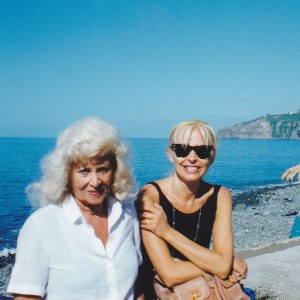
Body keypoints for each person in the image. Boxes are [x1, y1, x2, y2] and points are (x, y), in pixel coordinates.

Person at [7, 117, 143, 300]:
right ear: (67, 174)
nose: (95, 182)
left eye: (103, 169)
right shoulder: (41, 225)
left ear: (115, 170)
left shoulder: (127, 214)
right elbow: (26, 297)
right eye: (84, 171)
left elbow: (136, 286)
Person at [137, 120, 247, 299]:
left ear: (211, 156)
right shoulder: (150, 195)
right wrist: (219, 262)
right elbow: (169, 275)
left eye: (202, 151)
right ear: (170, 154)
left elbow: (222, 266)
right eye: (182, 149)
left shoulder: (220, 196)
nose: (192, 158)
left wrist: (167, 232)